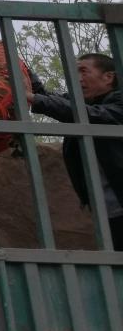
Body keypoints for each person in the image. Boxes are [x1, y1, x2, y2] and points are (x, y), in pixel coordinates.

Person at [25, 53, 123, 249]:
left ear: (108, 77)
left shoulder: (117, 102)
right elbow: (51, 98)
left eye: (84, 71)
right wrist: (23, 70)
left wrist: (36, 100)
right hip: (107, 213)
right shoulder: (82, 104)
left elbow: (92, 116)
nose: (77, 78)